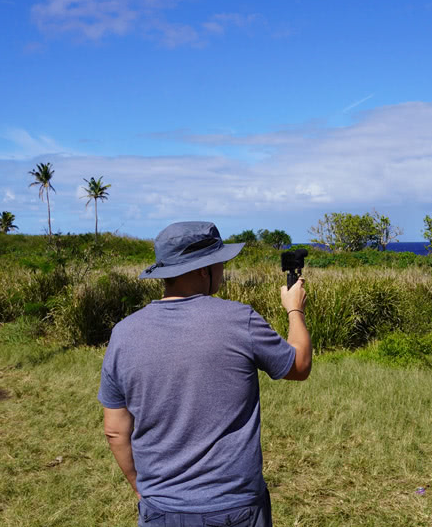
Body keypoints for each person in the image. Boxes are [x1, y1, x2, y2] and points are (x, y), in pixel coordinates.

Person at [98, 221, 311, 527]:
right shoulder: (239, 320)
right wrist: (295, 310)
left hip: (160, 510)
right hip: (235, 508)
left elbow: (115, 431)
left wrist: (142, 491)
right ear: (202, 270)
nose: (223, 271)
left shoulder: (123, 333)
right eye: (220, 263)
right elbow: (299, 366)